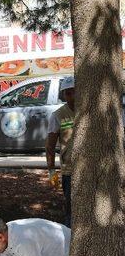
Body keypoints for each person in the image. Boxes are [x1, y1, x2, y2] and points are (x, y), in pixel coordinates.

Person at [46, 76, 75, 227]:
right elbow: (50, 146)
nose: (71, 96)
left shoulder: (90, 112)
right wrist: (51, 171)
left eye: (74, 92)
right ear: (64, 95)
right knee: (70, 208)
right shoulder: (57, 116)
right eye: (68, 93)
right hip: (69, 171)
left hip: (90, 169)